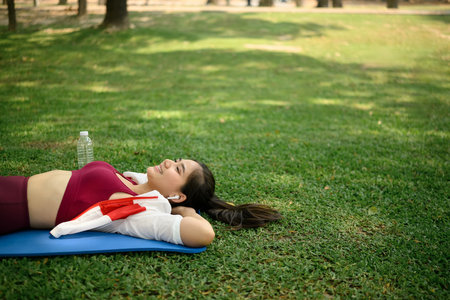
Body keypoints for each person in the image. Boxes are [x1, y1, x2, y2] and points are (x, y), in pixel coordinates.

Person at [0, 159, 281, 247]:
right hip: (10, 184)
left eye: (178, 169)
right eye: (178, 160)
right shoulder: (132, 181)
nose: (169, 162)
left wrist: (183, 209)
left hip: (9, 207)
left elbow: (203, 235)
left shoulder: (139, 210)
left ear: (177, 195)